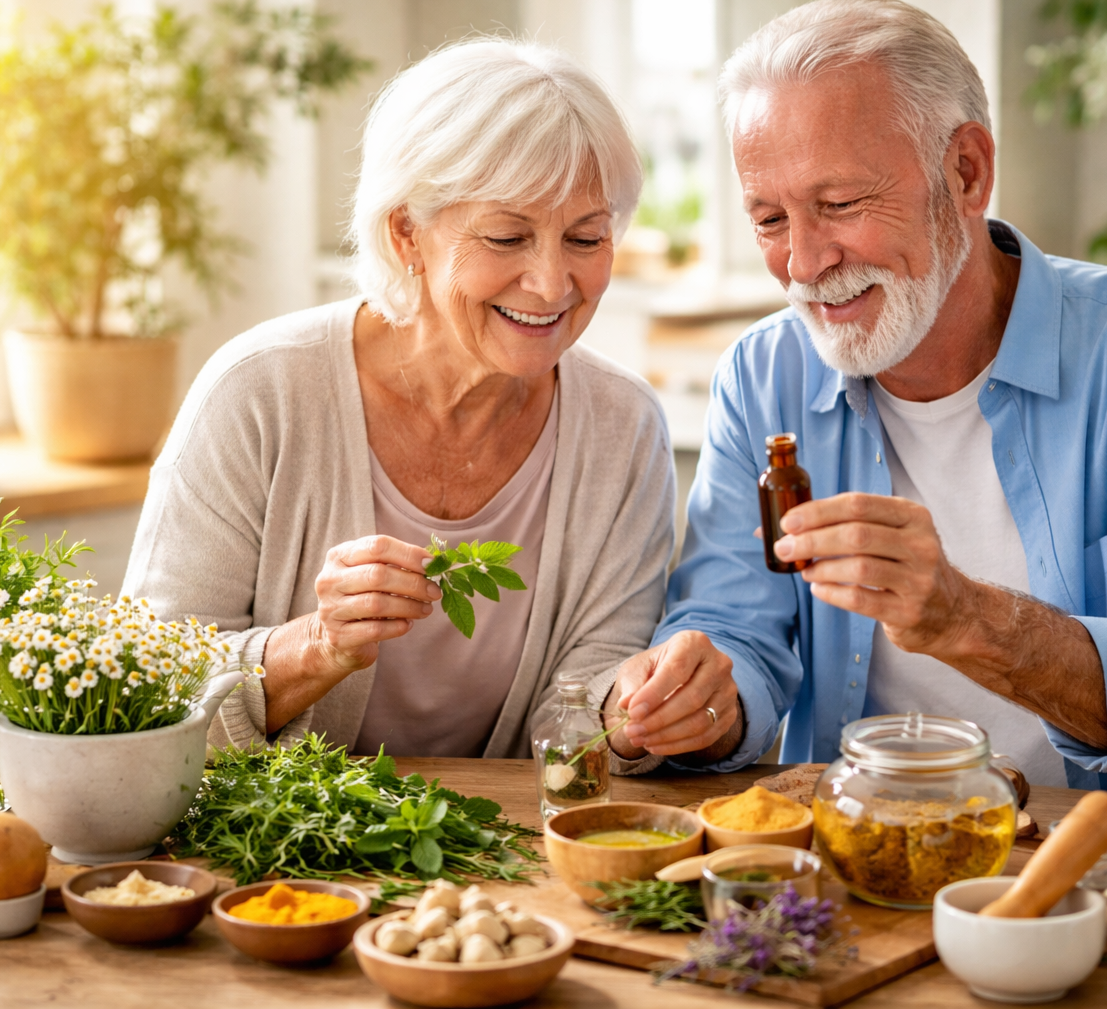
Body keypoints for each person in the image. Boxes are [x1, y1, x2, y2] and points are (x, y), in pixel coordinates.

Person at [602, 0, 1107, 795]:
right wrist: (696, 698)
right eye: (769, 218)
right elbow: (733, 632)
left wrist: (970, 621)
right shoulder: (763, 374)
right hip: (850, 865)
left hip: (1097, 870)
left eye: (840, 204)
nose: (803, 262)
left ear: (966, 172)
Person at [123, 40, 733, 764]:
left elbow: (584, 698)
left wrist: (632, 709)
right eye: (507, 236)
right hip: (269, 860)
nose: (551, 283)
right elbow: (144, 693)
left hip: (498, 860)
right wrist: (317, 645)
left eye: (586, 237)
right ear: (406, 231)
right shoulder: (259, 394)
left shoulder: (623, 428)